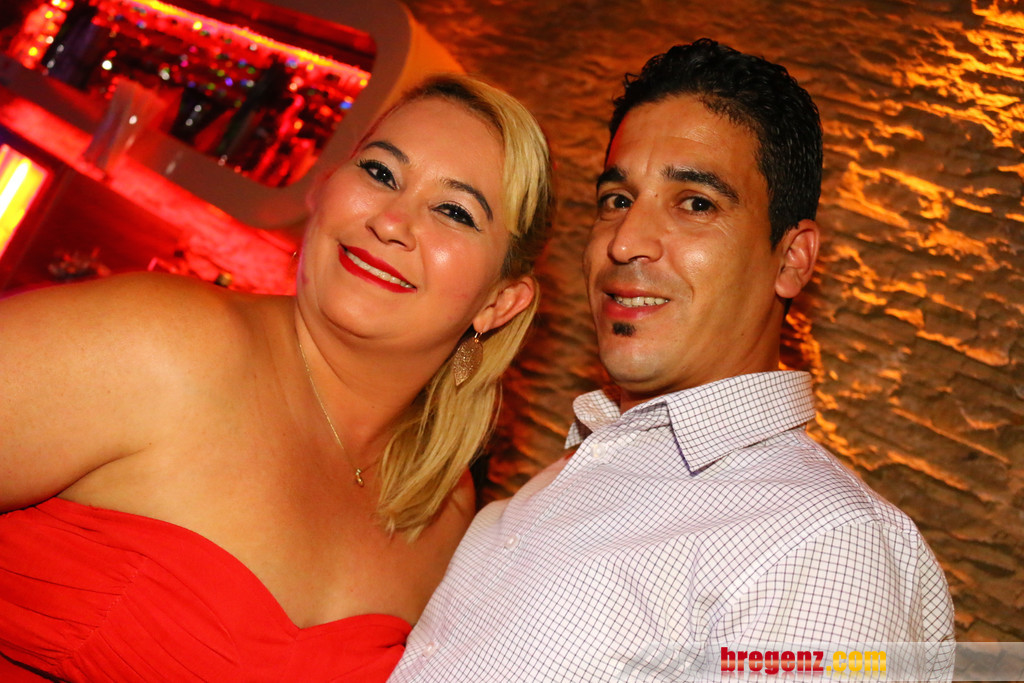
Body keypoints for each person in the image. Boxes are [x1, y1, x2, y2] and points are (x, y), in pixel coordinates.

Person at [390, 39, 954, 682]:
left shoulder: (820, 542)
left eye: (696, 204)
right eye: (617, 200)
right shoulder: (568, 478)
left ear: (792, 259)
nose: (626, 241)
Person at [0, 73, 553, 681]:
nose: (392, 220)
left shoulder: (442, 509)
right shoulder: (166, 346)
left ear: (499, 302)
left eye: (453, 211)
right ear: (325, 187)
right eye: (380, 172)